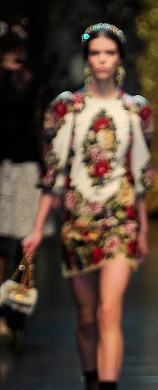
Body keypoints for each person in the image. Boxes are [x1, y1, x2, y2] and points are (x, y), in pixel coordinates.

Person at [22, 22, 154, 390]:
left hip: (120, 220)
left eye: (109, 53)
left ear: (119, 59)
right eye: (95, 53)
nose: (102, 60)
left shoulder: (136, 110)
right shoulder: (67, 108)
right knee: (86, 318)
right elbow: (53, 173)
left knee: (108, 311)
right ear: (87, 58)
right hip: (76, 222)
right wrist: (36, 229)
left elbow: (139, 174)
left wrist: (143, 227)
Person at [0, 16, 54, 345]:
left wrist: (48, 167)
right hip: (4, 167)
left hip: (26, 167)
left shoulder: (30, 79)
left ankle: (15, 313)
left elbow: (40, 124)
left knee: (25, 244)